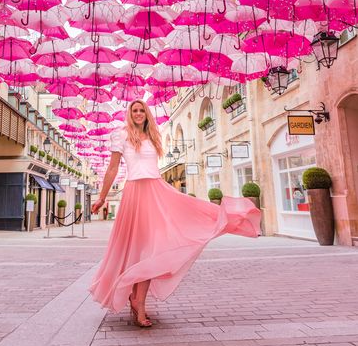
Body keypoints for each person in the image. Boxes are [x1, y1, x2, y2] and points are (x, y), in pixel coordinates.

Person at [90, 99, 261, 327]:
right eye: (135, 110)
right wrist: (102, 196)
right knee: (134, 249)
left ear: (147, 114)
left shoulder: (153, 135)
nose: (139, 113)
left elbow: (154, 169)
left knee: (152, 250)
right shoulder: (120, 136)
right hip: (134, 194)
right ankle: (134, 297)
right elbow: (112, 168)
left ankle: (139, 302)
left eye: (142, 110)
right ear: (129, 114)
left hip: (155, 190)